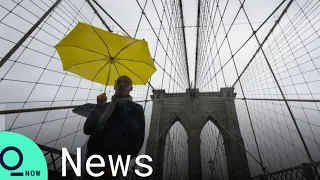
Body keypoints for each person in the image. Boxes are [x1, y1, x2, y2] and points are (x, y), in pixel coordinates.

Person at [82, 75, 145, 180]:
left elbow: (138, 139)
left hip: (114, 163)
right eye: (119, 82)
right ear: (114, 86)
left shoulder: (136, 109)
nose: (122, 84)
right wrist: (98, 108)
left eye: (126, 82)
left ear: (131, 88)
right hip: (92, 160)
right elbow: (87, 130)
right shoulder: (103, 106)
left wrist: (120, 163)